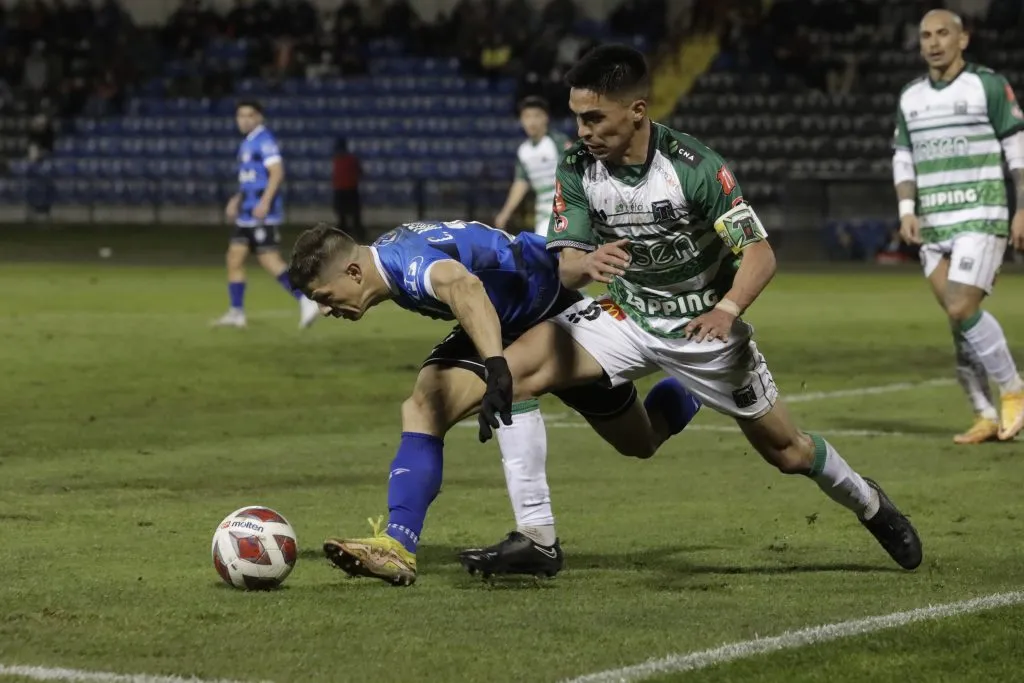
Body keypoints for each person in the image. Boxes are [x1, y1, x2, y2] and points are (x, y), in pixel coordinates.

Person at [463, 44, 922, 574]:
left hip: (703, 329)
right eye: (577, 119)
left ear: (637, 111)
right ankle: (537, 539)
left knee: (788, 453)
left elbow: (759, 253)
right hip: (628, 314)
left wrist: (727, 309)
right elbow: (565, 264)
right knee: (514, 374)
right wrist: (584, 264)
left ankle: (869, 502)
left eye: (594, 118)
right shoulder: (577, 168)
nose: (583, 131)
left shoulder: (694, 168)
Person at [286, 221, 701, 585]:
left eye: (323, 295)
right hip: (505, 319)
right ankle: (398, 542)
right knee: (426, 404)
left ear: (354, 271)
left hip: (554, 312)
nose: (323, 309)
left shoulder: (404, 264)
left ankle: (696, 385)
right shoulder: (388, 255)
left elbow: (463, 286)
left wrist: (497, 366)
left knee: (640, 440)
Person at [894, 9, 1024, 444]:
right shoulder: (911, 97)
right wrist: (907, 209)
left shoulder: (987, 85)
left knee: (960, 308)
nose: (932, 42)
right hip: (933, 222)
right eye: (925, 35)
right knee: (960, 326)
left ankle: (1014, 390)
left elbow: (1017, 151)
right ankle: (985, 414)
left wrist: (1021, 208)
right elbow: (904, 156)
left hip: (980, 213)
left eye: (942, 34)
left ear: (962, 39)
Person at [213, 100, 319, 329]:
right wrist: (237, 199)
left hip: (261, 214)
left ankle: (306, 300)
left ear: (259, 117)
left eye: (250, 115)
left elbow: (277, 172)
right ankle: (236, 312)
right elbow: (251, 178)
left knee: (270, 260)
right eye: (240, 116)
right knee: (234, 258)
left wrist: (265, 201)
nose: (244, 120)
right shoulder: (248, 143)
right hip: (246, 213)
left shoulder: (264, 140)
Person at [494, 96, 572, 236]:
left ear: (546, 118)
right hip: (542, 214)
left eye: (537, 116)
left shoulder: (558, 142)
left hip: (565, 209)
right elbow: (521, 183)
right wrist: (505, 213)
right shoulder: (524, 151)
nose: (532, 121)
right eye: (527, 116)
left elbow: (576, 172)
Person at [331, 137, 364, 241]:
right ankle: (357, 234)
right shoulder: (351, 159)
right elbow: (360, 172)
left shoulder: (337, 160)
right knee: (353, 215)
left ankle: (343, 236)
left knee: (343, 216)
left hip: (342, 190)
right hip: (350, 190)